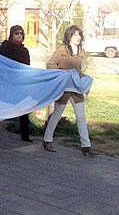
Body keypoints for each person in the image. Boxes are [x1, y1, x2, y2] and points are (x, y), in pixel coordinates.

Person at [42, 25, 96, 156]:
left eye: (79, 35)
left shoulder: (80, 51)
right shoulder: (62, 49)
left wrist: (85, 77)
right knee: (56, 115)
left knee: (81, 117)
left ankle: (86, 145)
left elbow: (77, 71)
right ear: (69, 36)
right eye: (75, 35)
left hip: (76, 88)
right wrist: (62, 72)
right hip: (64, 89)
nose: (78, 37)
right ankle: (47, 140)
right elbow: (50, 65)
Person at [0, 25, 33, 142]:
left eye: (21, 33)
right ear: (12, 34)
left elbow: (26, 66)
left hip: (19, 82)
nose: (19, 36)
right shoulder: (4, 48)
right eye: (17, 33)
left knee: (24, 107)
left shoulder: (24, 51)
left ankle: (25, 135)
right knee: (0, 105)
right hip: (5, 82)